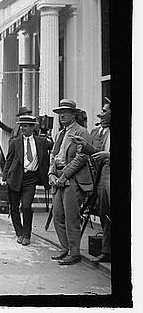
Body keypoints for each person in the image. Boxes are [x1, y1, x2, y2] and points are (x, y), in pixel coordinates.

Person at [47, 99, 92, 265]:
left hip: (73, 180)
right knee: (58, 215)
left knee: (71, 217)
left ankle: (74, 253)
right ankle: (65, 248)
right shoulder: (60, 134)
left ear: (73, 114)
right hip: (58, 179)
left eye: (65, 112)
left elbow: (81, 158)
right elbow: (53, 156)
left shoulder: (81, 132)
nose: (62, 115)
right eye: (60, 113)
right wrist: (51, 174)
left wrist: (64, 176)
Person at [71, 98, 111, 263]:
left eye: (104, 111)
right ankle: (107, 251)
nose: (100, 114)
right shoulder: (102, 132)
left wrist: (109, 155)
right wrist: (85, 145)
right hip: (103, 176)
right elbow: (97, 154)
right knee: (105, 213)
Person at [2, 115, 51, 246]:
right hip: (15, 177)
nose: (22, 128)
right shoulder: (15, 142)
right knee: (14, 207)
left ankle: (26, 234)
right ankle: (19, 232)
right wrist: (4, 177)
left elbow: (55, 147)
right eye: (21, 126)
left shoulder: (42, 142)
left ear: (32, 127)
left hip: (31, 179)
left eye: (25, 126)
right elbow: (9, 160)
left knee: (26, 206)